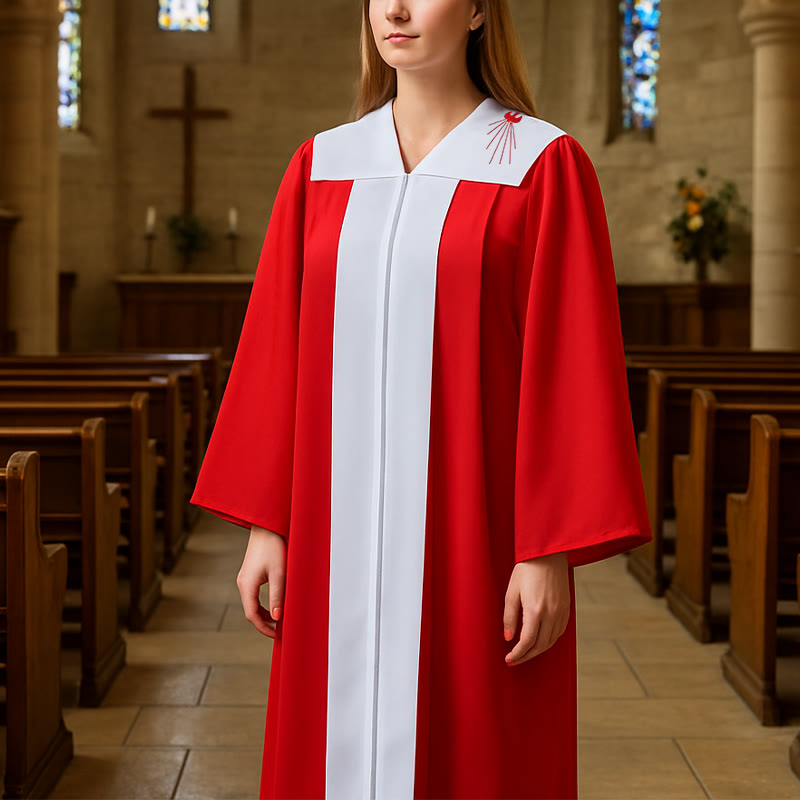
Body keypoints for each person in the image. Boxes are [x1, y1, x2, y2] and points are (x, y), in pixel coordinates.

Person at [191, 1, 653, 798]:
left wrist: (545, 550)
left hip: (474, 532)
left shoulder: (539, 166)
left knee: (480, 749)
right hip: (335, 534)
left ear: (478, 10)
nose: (395, 9)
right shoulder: (322, 166)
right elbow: (277, 350)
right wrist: (269, 524)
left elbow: (570, 368)